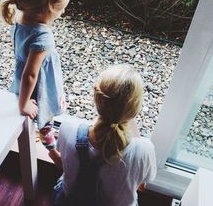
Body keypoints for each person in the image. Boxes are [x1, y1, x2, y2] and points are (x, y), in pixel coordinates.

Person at [40, 64, 157, 206]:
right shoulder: (143, 150)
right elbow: (143, 183)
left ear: (97, 99)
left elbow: (64, 164)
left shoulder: (69, 128)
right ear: (135, 110)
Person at [0, 0, 71, 128]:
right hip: (38, 84)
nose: (63, 12)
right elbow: (30, 75)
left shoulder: (19, 20)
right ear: (47, 9)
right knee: (43, 114)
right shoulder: (43, 36)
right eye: (61, 8)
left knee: (34, 114)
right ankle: (48, 144)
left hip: (21, 81)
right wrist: (23, 105)